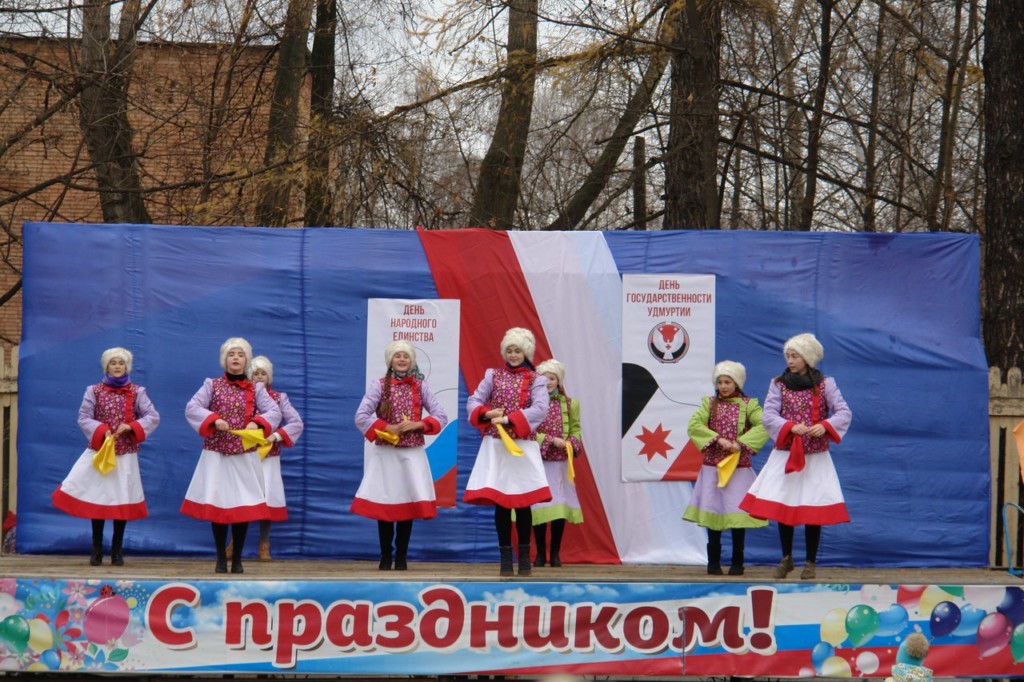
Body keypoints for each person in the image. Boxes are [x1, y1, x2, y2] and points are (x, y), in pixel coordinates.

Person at [740, 333, 852, 579]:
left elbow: (843, 412)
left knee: (814, 506)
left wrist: (824, 425)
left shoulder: (825, 384)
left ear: (807, 358)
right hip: (787, 454)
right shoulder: (778, 383)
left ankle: (810, 562)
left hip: (816, 457)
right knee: (784, 504)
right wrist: (790, 426)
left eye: (795, 356)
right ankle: (786, 557)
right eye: (788, 356)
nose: (790, 360)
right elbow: (769, 414)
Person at [52, 347, 160, 566]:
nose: (117, 366)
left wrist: (131, 426)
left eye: (121, 363)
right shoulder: (93, 391)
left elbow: (152, 416)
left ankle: (117, 551)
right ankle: (97, 549)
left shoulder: (137, 392)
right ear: (106, 367)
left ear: (127, 367)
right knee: (98, 498)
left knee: (121, 499)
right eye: (113, 363)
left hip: (125, 455)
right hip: (101, 452)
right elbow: (84, 417)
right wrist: (102, 430)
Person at [181, 337, 280, 574]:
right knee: (218, 503)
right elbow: (192, 407)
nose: (236, 358)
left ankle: (236, 559)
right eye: (231, 354)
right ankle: (220, 558)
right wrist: (214, 419)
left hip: (244, 455)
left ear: (247, 360)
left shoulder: (256, 388)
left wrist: (258, 422)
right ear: (224, 360)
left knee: (242, 505)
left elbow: (274, 411)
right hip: (217, 453)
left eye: (240, 354)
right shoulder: (212, 385)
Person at [352, 340, 448, 570]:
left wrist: (418, 424)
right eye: (398, 356)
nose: (402, 359)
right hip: (386, 453)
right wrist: (388, 428)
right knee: (385, 503)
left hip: (411, 454)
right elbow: (361, 415)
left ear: (412, 360)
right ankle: (386, 556)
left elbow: (441, 416)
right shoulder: (379, 386)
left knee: (407, 503)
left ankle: (402, 557)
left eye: (406, 356)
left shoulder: (421, 386)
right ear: (390, 360)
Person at [465, 327, 551, 577]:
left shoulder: (537, 379)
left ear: (526, 353)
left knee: (523, 502)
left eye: (518, 351)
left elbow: (540, 408)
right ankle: (505, 557)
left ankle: (524, 556)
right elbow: (474, 400)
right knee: (501, 503)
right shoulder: (492, 375)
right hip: (497, 446)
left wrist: (509, 419)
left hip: (521, 445)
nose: (513, 355)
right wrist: (486, 413)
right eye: (510, 350)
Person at [683, 361, 768, 576]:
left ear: (737, 383)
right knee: (714, 513)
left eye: (727, 382)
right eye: (720, 382)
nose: (723, 386)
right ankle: (713, 563)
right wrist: (717, 439)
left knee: (737, 515)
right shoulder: (709, 404)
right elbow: (694, 425)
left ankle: (737, 563)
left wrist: (740, 444)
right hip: (713, 469)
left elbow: (765, 424)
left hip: (738, 469)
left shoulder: (749, 405)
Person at [530, 359, 584, 568]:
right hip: (539, 462)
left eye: (552, 378)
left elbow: (576, 429)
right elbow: (527, 430)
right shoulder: (532, 403)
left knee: (559, 508)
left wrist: (571, 443)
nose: (548, 382)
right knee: (540, 507)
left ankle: (555, 553)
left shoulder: (571, 404)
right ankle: (540, 553)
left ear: (559, 381)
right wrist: (550, 440)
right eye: (544, 378)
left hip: (560, 464)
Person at [249, 355, 303, 561]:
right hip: (243, 456)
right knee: (240, 497)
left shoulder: (279, 398)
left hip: (268, 457)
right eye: (255, 373)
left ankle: (264, 544)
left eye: (263, 373)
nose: (259, 377)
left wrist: (275, 436)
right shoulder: (242, 397)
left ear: (269, 377)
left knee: (267, 499)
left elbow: (296, 423)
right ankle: (234, 543)